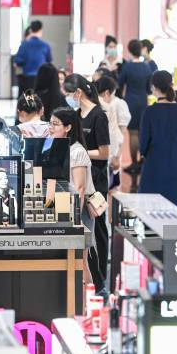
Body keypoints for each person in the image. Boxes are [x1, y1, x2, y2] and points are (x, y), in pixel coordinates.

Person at [63, 74, 110, 293]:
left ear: (78, 93)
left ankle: (100, 282)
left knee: (96, 231)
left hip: (95, 182)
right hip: (76, 178)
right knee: (81, 235)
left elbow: (104, 152)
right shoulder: (75, 115)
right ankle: (87, 280)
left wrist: (78, 154)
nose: (67, 98)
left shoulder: (99, 116)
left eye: (68, 93)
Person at [49, 107, 98, 286]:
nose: (51, 128)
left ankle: (89, 303)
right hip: (63, 207)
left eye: (55, 124)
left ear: (68, 127)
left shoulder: (77, 151)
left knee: (81, 261)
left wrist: (74, 217)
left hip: (79, 211)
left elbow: (80, 188)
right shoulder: (57, 147)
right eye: (50, 123)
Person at [139, 71, 177, 209]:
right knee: (176, 218)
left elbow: (143, 146)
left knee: (152, 217)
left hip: (154, 169)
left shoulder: (149, 112)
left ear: (153, 87)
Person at [119, 40, 153, 166]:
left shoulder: (127, 66)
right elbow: (149, 89)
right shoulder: (146, 67)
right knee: (142, 132)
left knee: (132, 133)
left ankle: (134, 164)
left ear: (129, 50)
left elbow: (120, 84)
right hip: (143, 101)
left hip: (130, 102)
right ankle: (141, 161)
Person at [95, 75, 131, 183]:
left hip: (112, 148)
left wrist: (117, 155)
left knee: (111, 180)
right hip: (105, 147)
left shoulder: (118, 104)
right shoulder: (100, 104)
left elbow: (121, 131)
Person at [14, 20, 53, 97]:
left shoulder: (24, 45)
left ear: (30, 30)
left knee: (29, 100)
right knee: (40, 99)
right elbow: (49, 62)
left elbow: (18, 61)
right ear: (41, 30)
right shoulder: (45, 45)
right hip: (42, 78)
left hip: (27, 79)